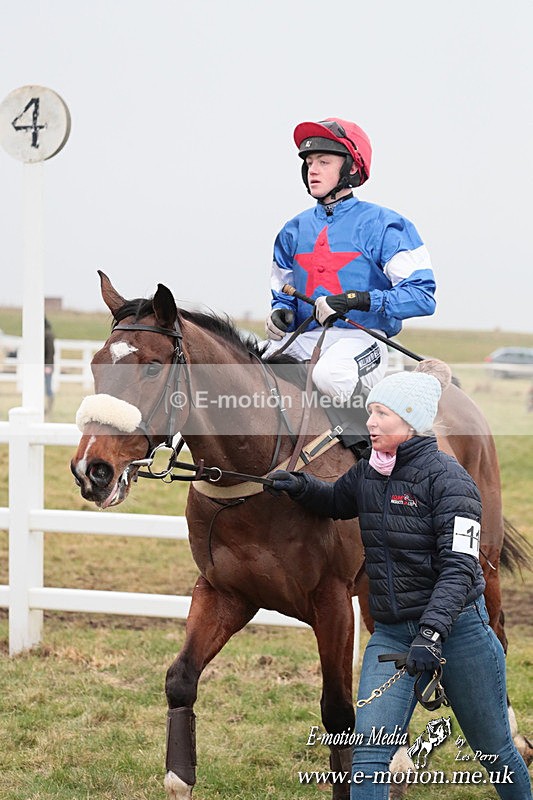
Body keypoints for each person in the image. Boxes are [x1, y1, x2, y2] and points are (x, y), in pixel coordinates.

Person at [267, 360, 532, 800]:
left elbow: (461, 567)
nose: (369, 423)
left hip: (458, 634)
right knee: (371, 752)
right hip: (391, 637)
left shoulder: (453, 482)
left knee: (494, 751)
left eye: (381, 414)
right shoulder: (372, 470)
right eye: (370, 413)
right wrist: (298, 487)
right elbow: (337, 499)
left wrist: (432, 632)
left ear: (410, 421)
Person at [265, 117, 436, 453]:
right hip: (304, 338)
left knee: (330, 376)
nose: (312, 170)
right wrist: (280, 314)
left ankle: (374, 457)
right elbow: (281, 291)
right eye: (309, 162)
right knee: (242, 372)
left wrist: (357, 300)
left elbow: (422, 296)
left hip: (362, 339)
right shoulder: (292, 230)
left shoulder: (387, 225)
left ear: (351, 170)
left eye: (324, 162)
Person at [44, 317, 55, 414]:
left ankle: (49, 409)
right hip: (44, 365)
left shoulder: (47, 334)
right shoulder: (45, 333)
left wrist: (48, 365)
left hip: (47, 365)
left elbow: (50, 352)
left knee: (48, 388)